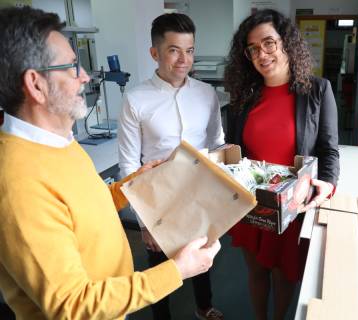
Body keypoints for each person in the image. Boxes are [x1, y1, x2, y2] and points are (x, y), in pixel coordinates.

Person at [0, 6, 221, 320]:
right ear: (36, 84)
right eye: (72, 67)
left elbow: (81, 208)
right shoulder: (17, 183)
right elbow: (73, 305)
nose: (85, 77)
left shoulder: (60, 143)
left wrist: (129, 188)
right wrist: (177, 270)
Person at [223, 9, 340, 320]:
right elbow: (234, 150)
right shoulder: (243, 98)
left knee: (284, 273)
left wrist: (326, 184)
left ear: (286, 43)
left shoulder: (317, 90)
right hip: (253, 202)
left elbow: (329, 151)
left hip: (293, 203)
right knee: (256, 270)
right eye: (253, 48)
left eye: (269, 43)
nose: (262, 54)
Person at [117, 13, 225, 320]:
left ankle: (204, 308)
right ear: (155, 53)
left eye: (189, 50)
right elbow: (128, 162)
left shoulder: (206, 94)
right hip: (157, 201)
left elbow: (217, 144)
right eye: (174, 50)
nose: (184, 59)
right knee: (159, 268)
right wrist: (143, 220)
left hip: (199, 196)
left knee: (202, 256)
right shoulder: (136, 99)